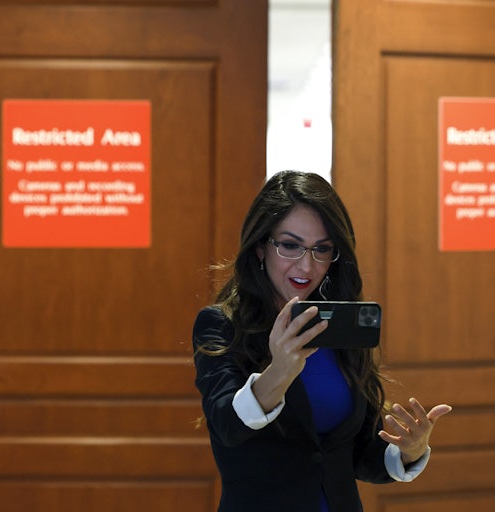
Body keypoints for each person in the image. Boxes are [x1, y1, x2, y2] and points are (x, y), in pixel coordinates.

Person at [192, 170, 451, 512]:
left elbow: (358, 456)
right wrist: (280, 370)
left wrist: (408, 452)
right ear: (260, 247)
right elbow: (227, 426)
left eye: (322, 249)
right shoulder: (222, 325)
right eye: (290, 245)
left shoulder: (338, 327)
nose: (306, 265)